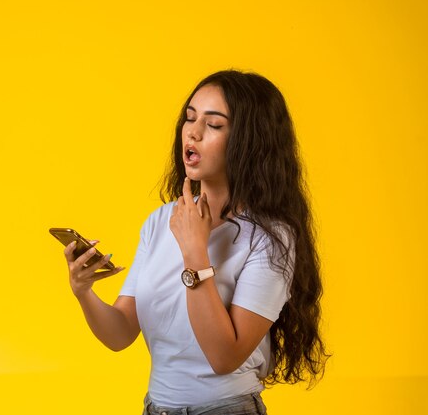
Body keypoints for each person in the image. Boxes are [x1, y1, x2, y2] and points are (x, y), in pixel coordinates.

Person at [62, 70, 329, 415]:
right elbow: (120, 334)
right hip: (155, 407)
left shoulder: (270, 238)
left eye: (214, 125)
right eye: (190, 118)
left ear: (248, 140)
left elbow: (224, 357)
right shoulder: (160, 222)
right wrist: (83, 291)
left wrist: (195, 251)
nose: (194, 131)